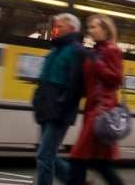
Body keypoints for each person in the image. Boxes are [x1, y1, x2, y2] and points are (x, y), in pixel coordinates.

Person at [67, 15, 125, 185]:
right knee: (99, 162)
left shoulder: (111, 50)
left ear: (105, 30)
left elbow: (116, 78)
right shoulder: (95, 51)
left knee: (78, 158)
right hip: (93, 109)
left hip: (101, 110)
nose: (90, 30)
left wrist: (98, 64)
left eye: (93, 27)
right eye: (89, 27)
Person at [32, 13, 85, 185]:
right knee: (47, 154)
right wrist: (38, 99)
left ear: (71, 28)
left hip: (58, 111)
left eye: (60, 26)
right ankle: (75, 180)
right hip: (46, 108)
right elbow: (44, 79)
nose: (56, 29)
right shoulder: (55, 48)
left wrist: (61, 105)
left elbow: (76, 86)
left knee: (44, 156)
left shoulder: (76, 51)